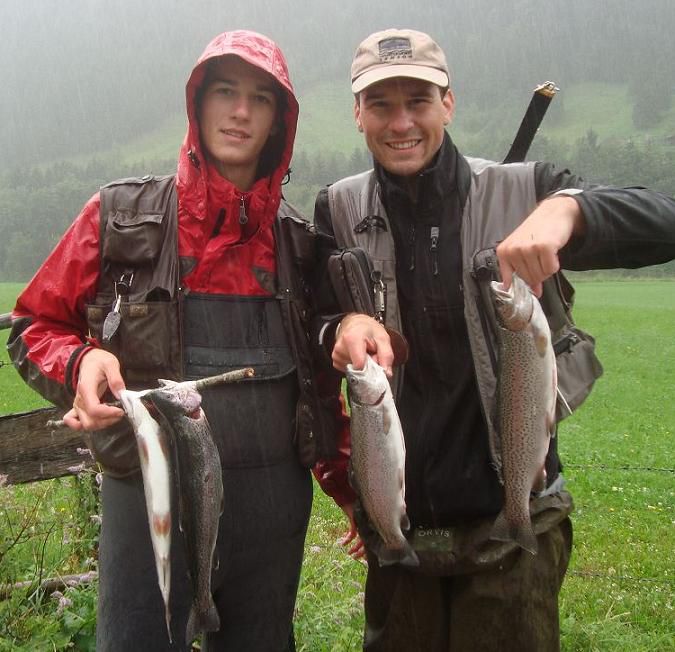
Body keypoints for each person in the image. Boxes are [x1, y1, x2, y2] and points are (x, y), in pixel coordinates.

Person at [312, 28, 675, 651]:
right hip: (400, 531)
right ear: (357, 114)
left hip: (515, 522)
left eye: (418, 101)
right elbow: (316, 317)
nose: (401, 122)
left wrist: (570, 211)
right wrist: (342, 326)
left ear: (448, 104)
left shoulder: (527, 190)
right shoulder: (338, 208)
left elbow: (663, 221)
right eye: (380, 104)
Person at [8, 30, 343, 651]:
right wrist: (80, 361)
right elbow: (33, 328)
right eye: (225, 91)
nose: (240, 111)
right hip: (148, 504)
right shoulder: (118, 217)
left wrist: (353, 489)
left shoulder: (300, 243)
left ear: (280, 120)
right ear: (197, 102)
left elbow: (324, 385)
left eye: (260, 98)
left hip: (272, 516)